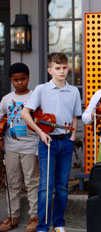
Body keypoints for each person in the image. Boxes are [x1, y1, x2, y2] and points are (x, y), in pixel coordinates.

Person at [21, 53, 82, 232]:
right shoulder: (41, 89)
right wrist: (40, 132)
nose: (61, 71)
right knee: (46, 187)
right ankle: (43, 226)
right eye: (57, 68)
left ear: (67, 68)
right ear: (50, 70)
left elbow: (75, 116)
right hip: (48, 141)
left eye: (64, 67)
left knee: (62, 186)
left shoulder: (74, 91)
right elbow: (25, 113)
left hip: (66, 141)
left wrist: (72, 137)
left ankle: (59, 223)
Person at [0, 63, 40, 232]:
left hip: (30, 146)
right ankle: (13, 216)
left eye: (23, 79)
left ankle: (34, 216)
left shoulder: (34, 97)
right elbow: (1, 119)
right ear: (11, 80)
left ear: (28, 77)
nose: (20, 83)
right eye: (16, 80)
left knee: (32, 182)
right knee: (12, 183)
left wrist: (39, 149)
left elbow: (41, 123)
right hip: (11, 147)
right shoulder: (6, 99)